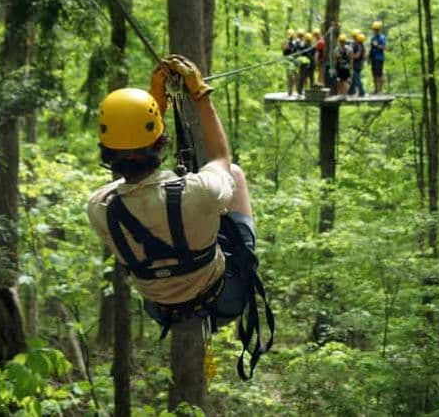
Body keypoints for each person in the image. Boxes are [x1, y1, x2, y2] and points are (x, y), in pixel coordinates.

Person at [87, 55, 271, 378]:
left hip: (162, 309)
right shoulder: (199, 192)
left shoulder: (100, 208)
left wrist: (154, 104)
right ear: (159, 143)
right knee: (236, 175)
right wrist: (199, 95)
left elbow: (131, 178)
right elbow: (221, 158)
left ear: (106, 150)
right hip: (224, 298)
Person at [368, 21, 387, 94]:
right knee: (374, 74)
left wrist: (377, 46)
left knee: (379, 74)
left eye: (377, 29)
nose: (375, 31)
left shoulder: (382, 37)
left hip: (379, 58)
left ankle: (380, 90)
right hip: (373, 58)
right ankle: (376, 89)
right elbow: (371, 48)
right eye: (374, 29)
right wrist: (369, 58)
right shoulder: (373, 38)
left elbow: (384, 47)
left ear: (379, 29)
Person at [348, 31, 366, 97]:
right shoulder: (359, 44)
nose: (354, 38)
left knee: (356, 78)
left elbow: (357, 56)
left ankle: (362, 92)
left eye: (355, 37)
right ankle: (351, 91)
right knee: (354, 78)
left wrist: (351, 56)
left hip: (357, 64)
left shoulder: (359, 45)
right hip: (359, 63)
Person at [283, 28, 299, 95]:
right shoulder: (285, 43)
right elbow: (285, 52)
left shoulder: (296, 43)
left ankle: (297, 91)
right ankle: (290, 92)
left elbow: (297, 51)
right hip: (288, 61)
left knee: (296, 76)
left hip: (294, 61)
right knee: (290, 77)